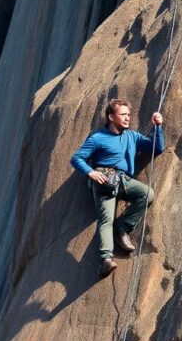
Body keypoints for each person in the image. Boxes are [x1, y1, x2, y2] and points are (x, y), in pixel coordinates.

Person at [70, 98, 165, 278]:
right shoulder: (98, 138)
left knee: (147, 194)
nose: (128, 118)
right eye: (123, 115)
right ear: (111, 116)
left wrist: (158, 126)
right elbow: (76, 158)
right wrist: (90, 172)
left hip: (124, 180)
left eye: (128, 115)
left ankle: (122, 229)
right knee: (106, 218)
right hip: (104, 180)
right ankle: (106, 259)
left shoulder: (132, 136)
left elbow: (157, 148)